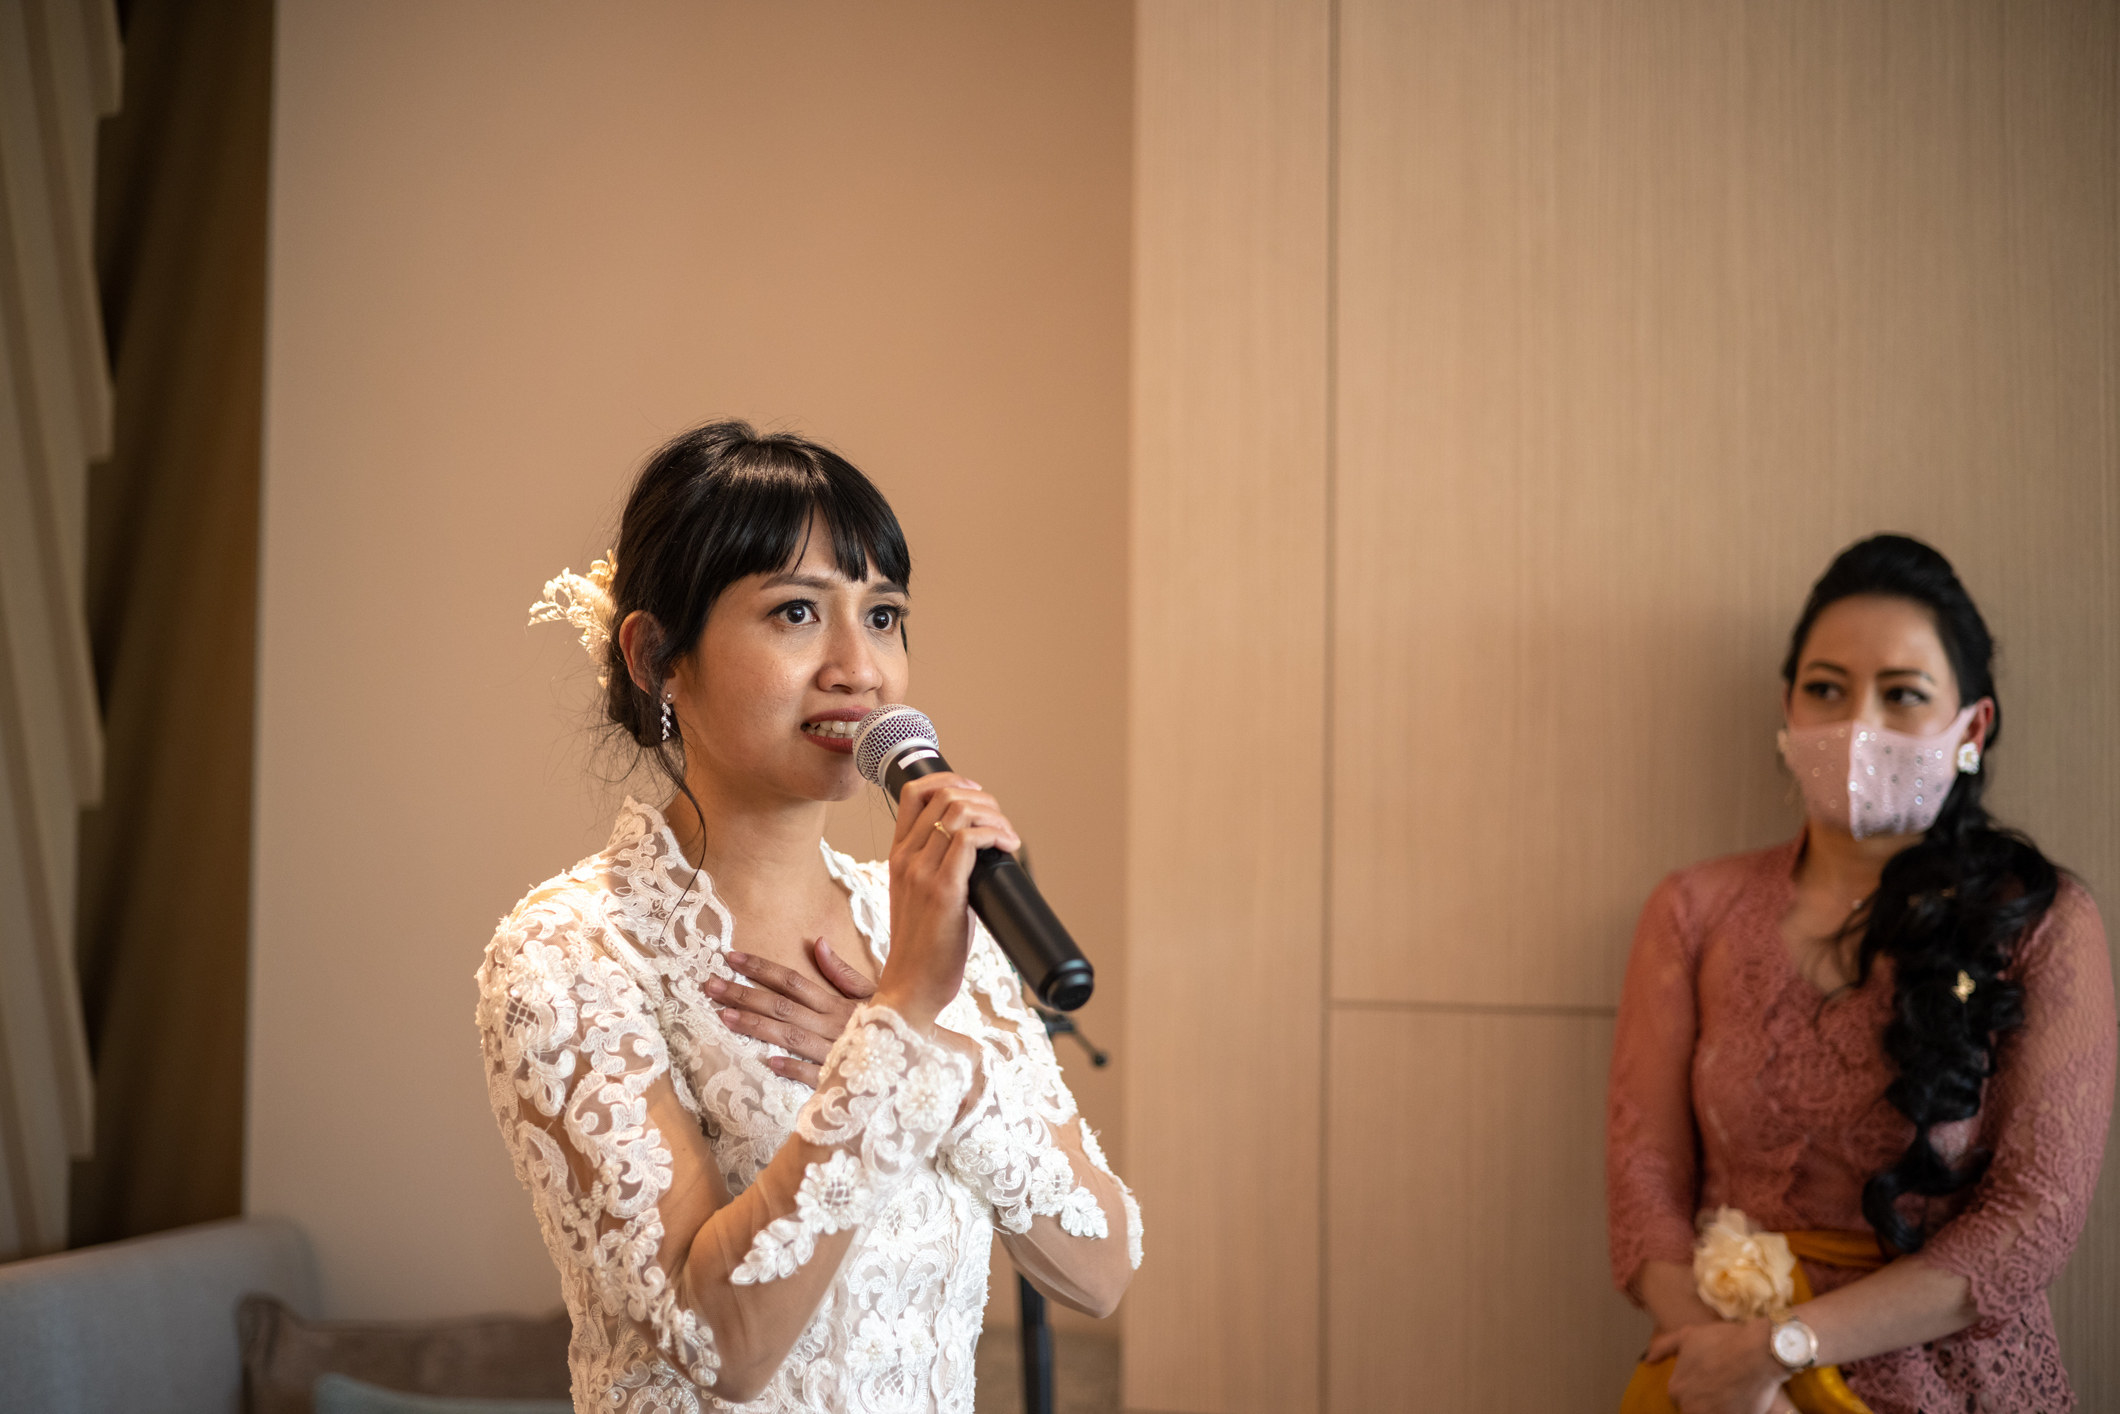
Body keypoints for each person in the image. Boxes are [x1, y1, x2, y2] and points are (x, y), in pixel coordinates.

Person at [479, 421, 1141, 1413]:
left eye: (883, 616)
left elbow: (1100, 1268)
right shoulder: (567, 954)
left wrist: (932, 1066)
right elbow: (721, 1345)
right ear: (658, 655)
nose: (857, 667)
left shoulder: (923, 918)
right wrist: (898, 1019)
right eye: (796, 611)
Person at [1605, 534, 2115, 1414]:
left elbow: (2036, 1218)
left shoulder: (2040, 921)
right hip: (1720, 1386)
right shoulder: (1694, 910)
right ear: (1788, 709)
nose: (1857, 727)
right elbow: (1642, 1174)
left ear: (1972, 728)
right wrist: (1716, 1360)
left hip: (1954, 1388)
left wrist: (1787, 1348)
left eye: (1903, 695)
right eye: (1827, 690)